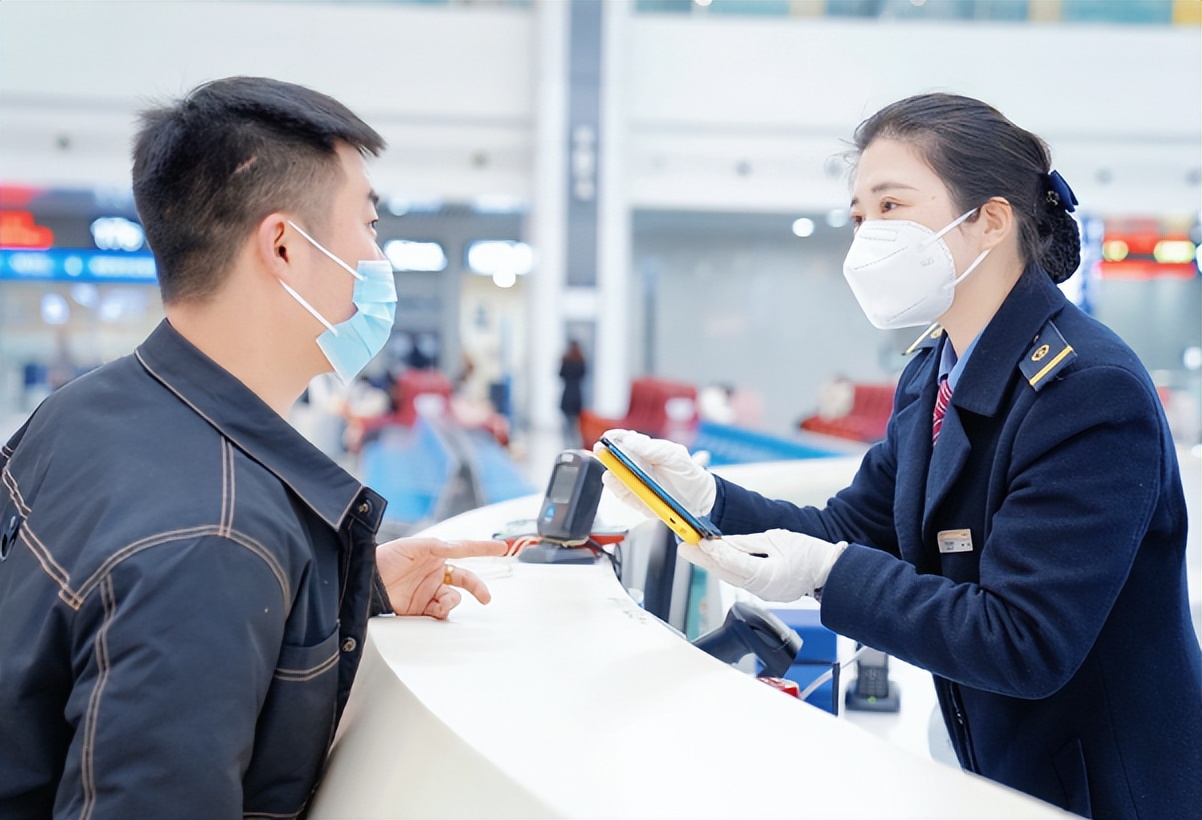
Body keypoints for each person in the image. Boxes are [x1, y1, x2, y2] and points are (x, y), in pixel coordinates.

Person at [599, 93, 1201, 818]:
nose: (867, 236)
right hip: (997, 769)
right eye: (859, 215)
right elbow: (853, 528)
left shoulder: (1084, 390)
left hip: (1105, 790)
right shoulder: (934, 371)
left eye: (891, 206)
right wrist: (707, 502)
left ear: (990, 219)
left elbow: (1025, 641)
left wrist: (828, 576)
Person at [0, 77, 507, 817]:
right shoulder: (215, 543)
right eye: (368, 226)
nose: (376, 256)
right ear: (282, 246)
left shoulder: (83, 409)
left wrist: (346, 588)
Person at [559, 339, 587, 445]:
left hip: (567, 394)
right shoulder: (581, 360)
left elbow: (561, 375)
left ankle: (567, 444)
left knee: (567, 423)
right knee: (575, 424)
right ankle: (574, 444)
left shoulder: (566, 360)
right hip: (576, 395)